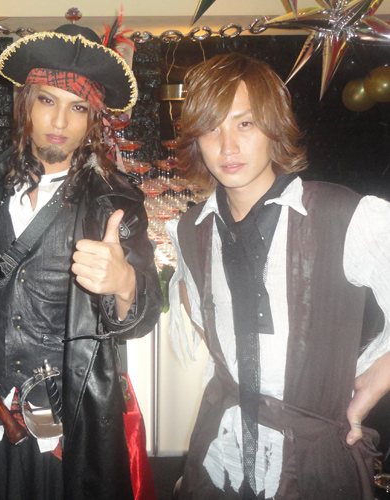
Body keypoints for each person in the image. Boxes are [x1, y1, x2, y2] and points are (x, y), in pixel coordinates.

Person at [0, 23, 163, 500]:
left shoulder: (115, 201)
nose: (60, 120)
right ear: (25, 105)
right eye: (47, 100)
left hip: (70, 427)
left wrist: (125, 284)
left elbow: (142, 316)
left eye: (77, 107)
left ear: (93, 119)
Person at [166, 52, 390, 500]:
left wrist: (379, 374)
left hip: (316, 461)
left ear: (273, 126)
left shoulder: (343, 215)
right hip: (221, 453)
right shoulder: (189, 229)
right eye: (211, 128)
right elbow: (205, 329)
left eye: (245, 124)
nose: (228, 147)